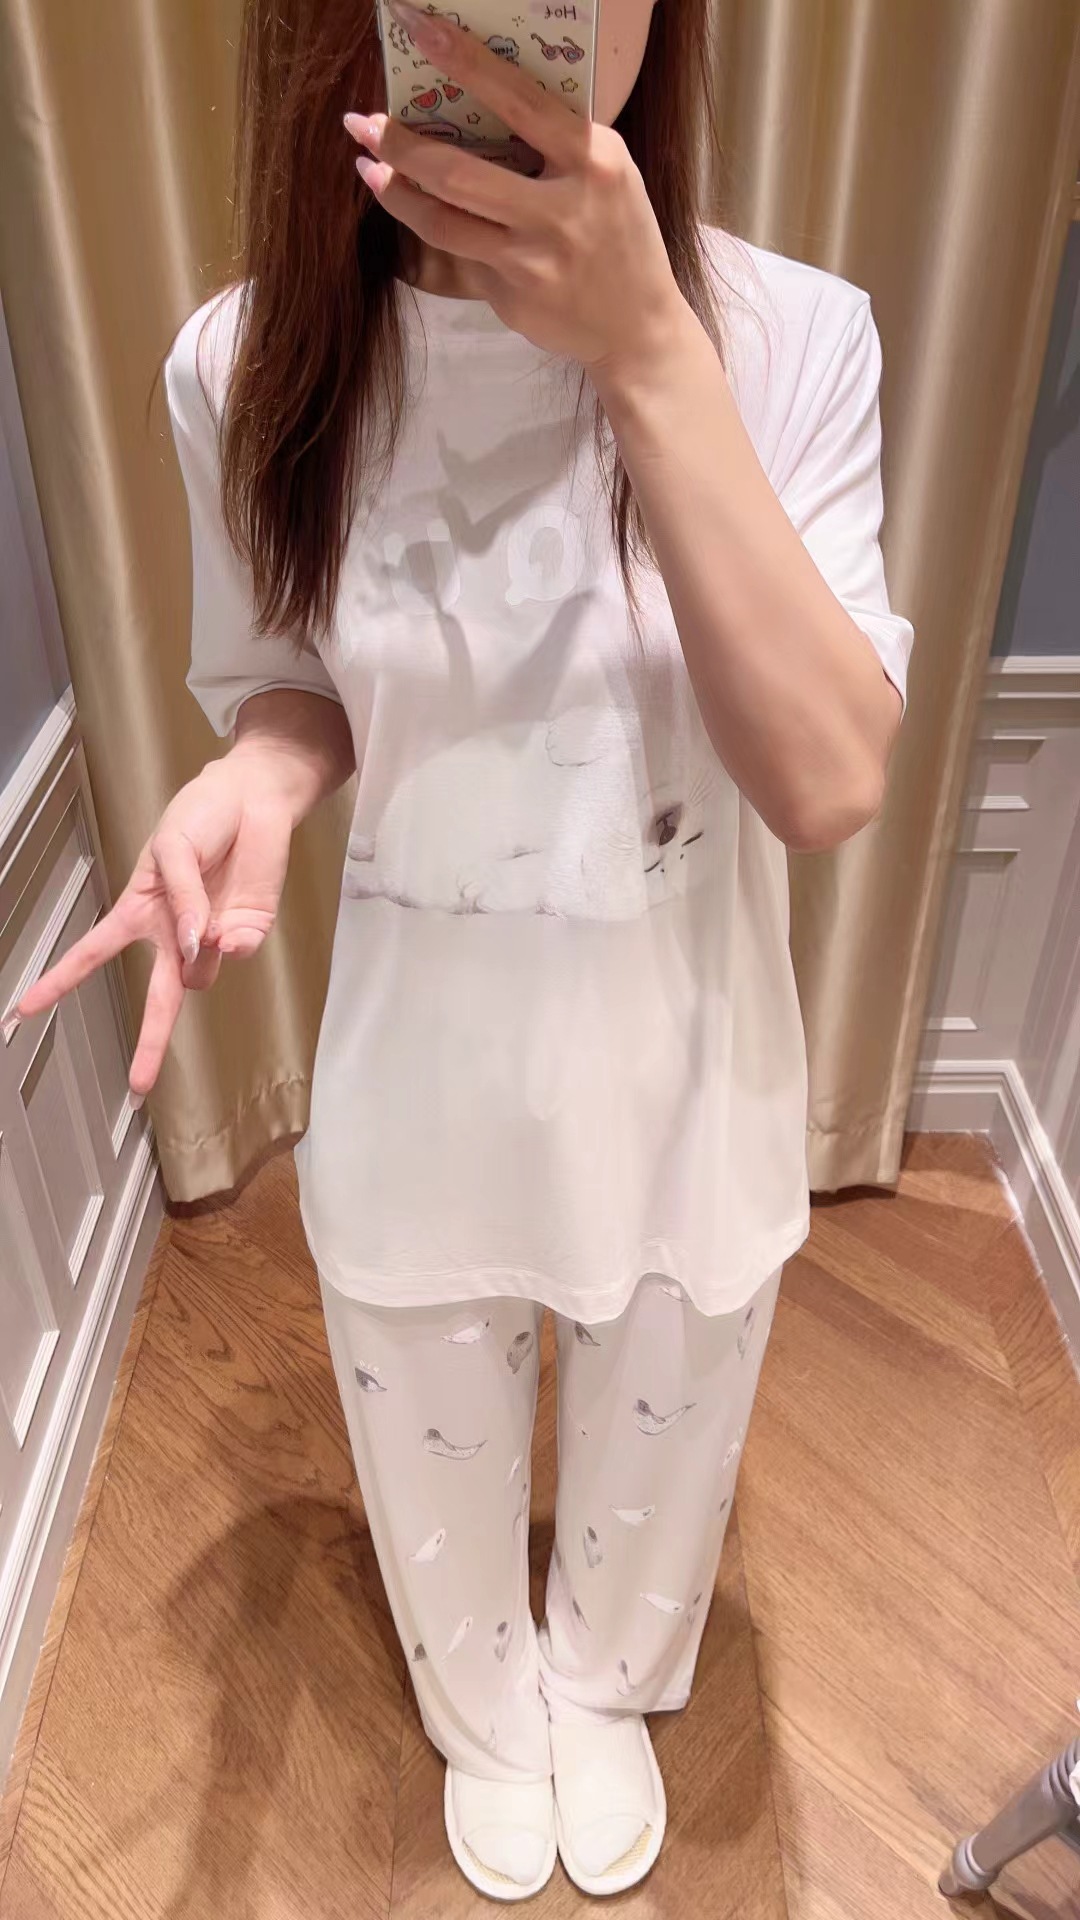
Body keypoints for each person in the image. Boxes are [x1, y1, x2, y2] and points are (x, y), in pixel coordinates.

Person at [15, 0, 914, 1900]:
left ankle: (602, 1683)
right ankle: (492, 1710)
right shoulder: (245, 364)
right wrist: (258, 773)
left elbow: (829, 778)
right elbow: (296, 684)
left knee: (663, 1450)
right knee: (429, 1447)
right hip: (421, 1067)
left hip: (690, 1069)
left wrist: (648, 351)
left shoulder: (789, 338)